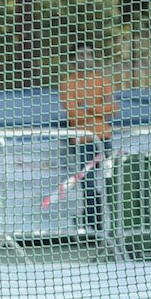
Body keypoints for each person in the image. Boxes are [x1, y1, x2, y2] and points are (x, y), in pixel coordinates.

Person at [58, 44, 117, 237]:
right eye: (81, 54)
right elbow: (74, 115)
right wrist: (98, 108)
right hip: (83, 141)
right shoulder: (68, 83)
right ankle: (96, 226)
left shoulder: (102, 80)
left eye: (89, 54)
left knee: (109, 182)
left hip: (105, 139)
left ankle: (103, 223)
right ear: (74, 59)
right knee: (89, 184)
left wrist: (90, 107)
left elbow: (113, 109)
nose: (86, 58)